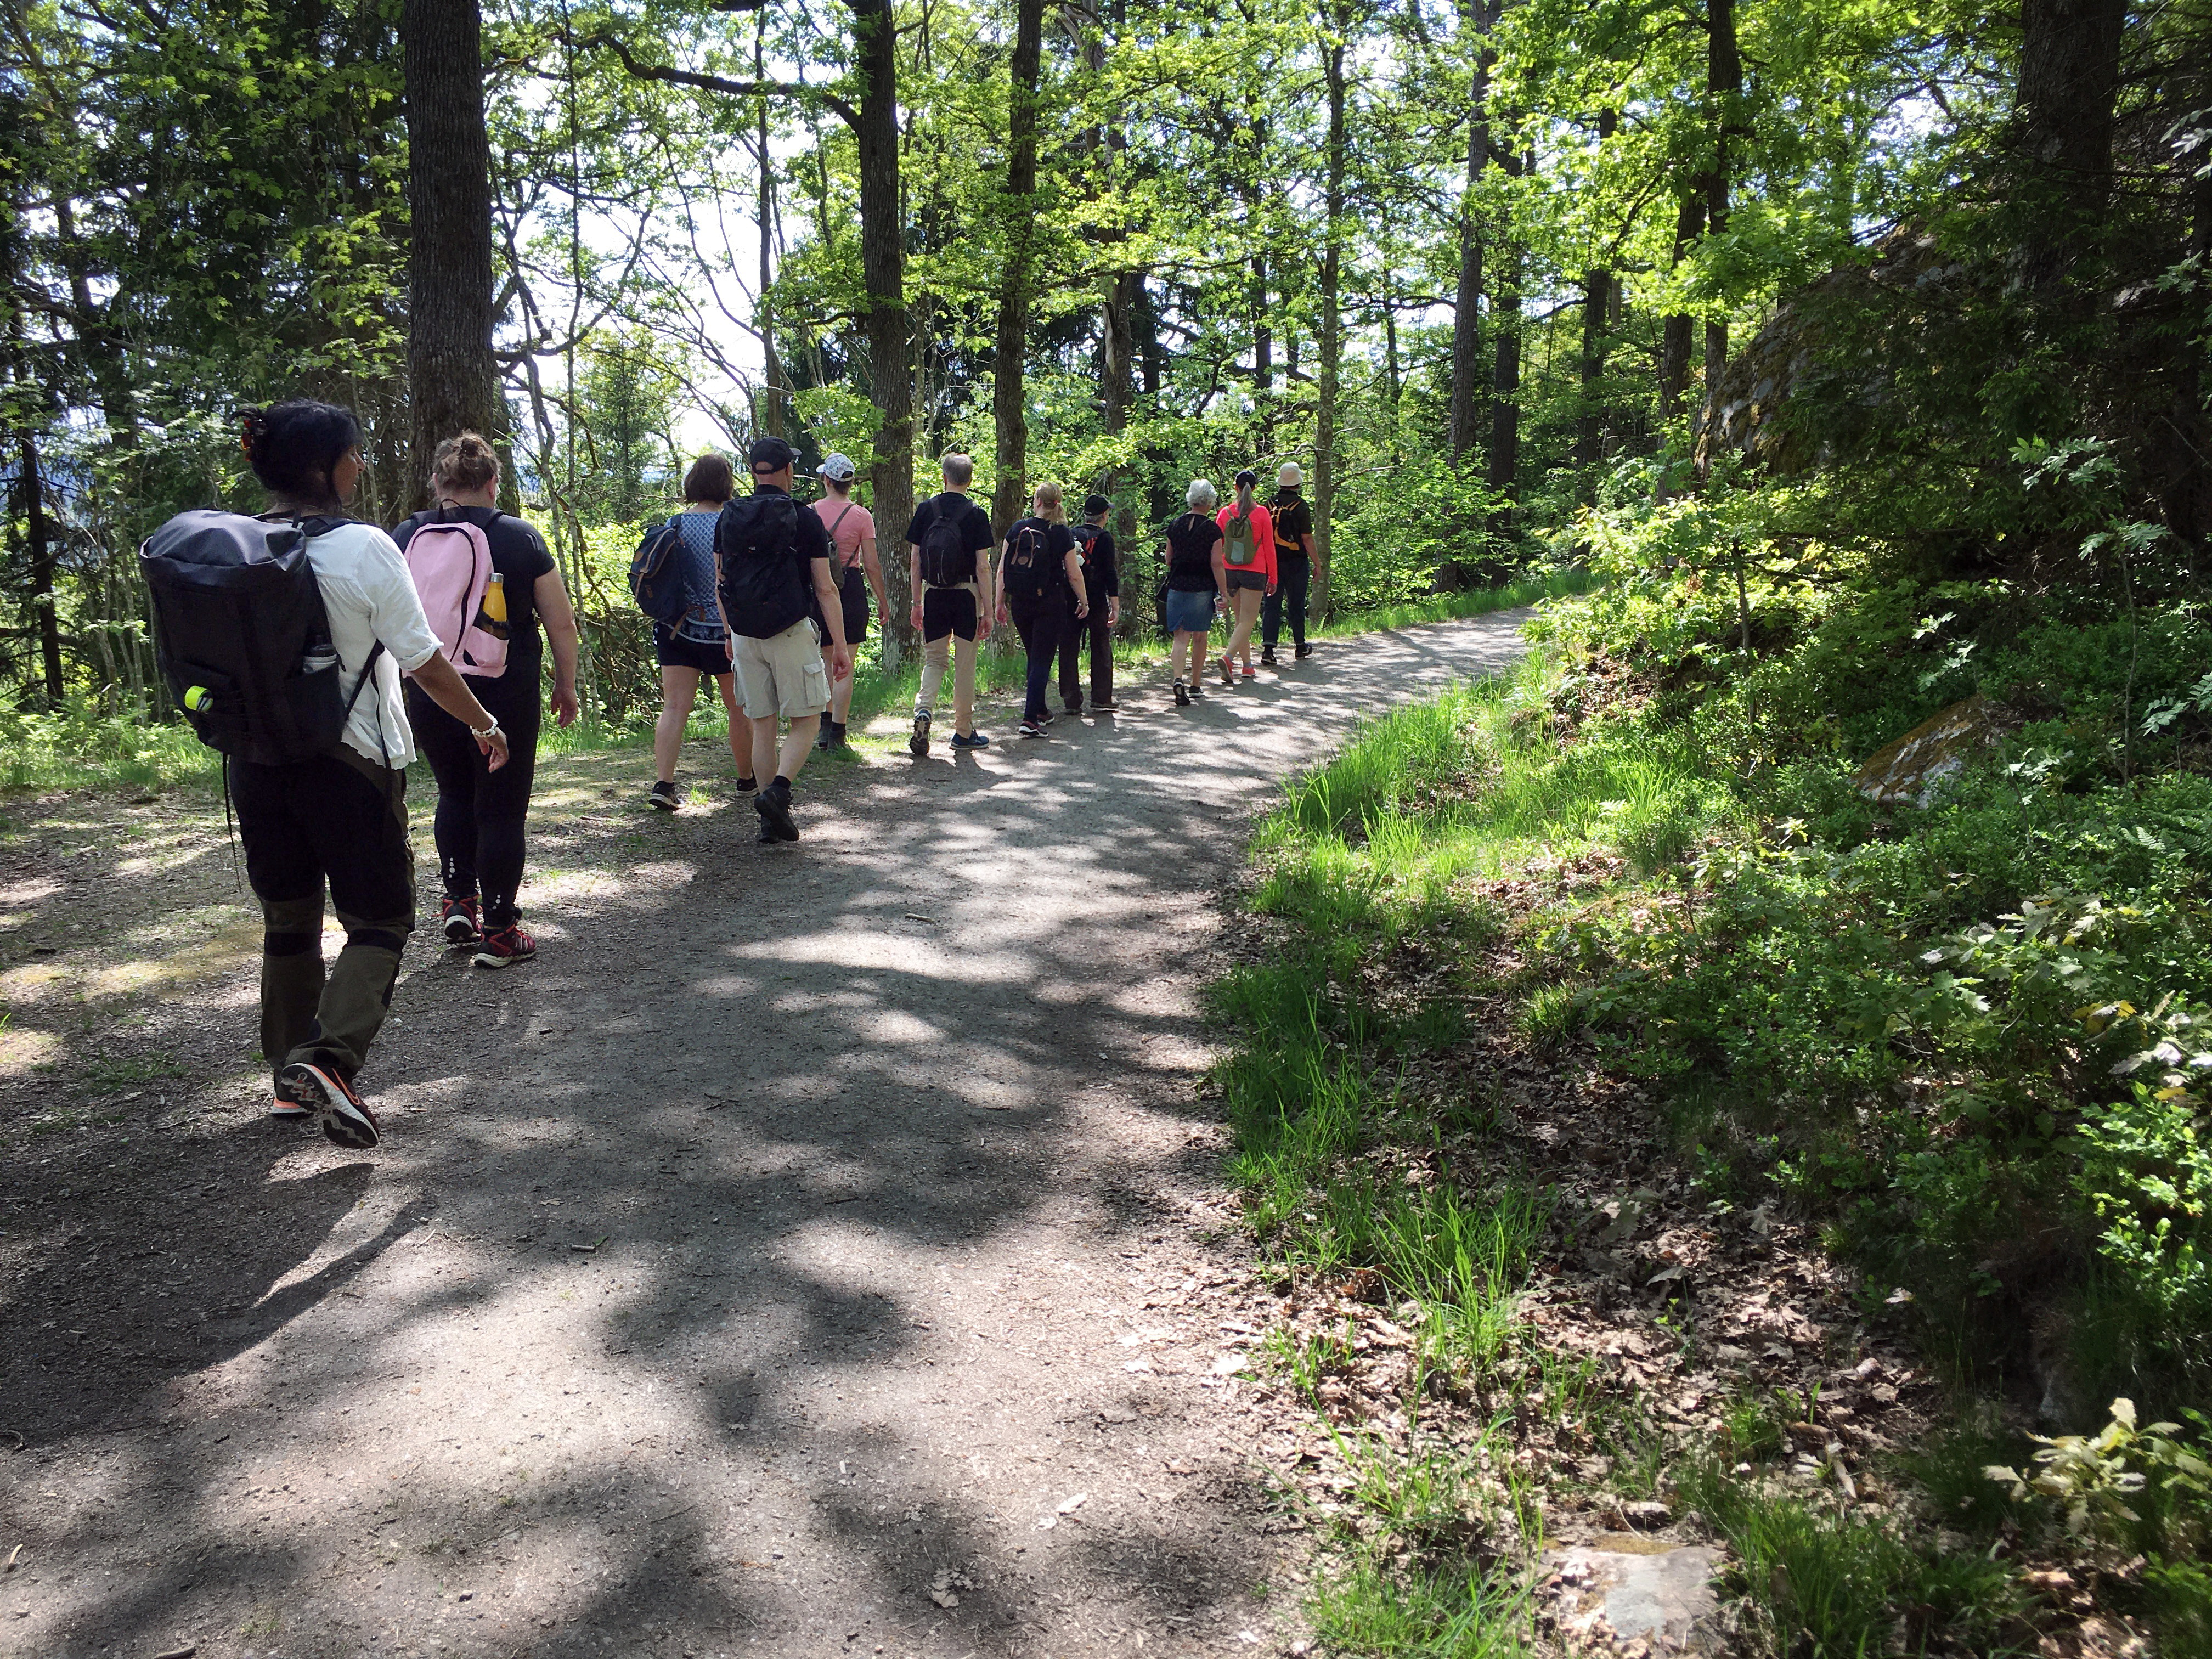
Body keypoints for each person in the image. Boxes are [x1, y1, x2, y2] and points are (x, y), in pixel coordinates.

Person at [233, 400, 510, 1149]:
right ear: (326, 468)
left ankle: (289, 1078)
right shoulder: (362, 548)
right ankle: (330, 1058)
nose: (362, 465)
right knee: (381, 919)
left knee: (288, 919)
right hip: (349, 764)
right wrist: (484, 724)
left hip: (254, 768)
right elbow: (424, 661)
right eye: (354, 454)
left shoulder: (235, 546)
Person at [393, 433, 580, 969]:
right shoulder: (521, 539)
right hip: (505, 692)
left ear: (437, 482)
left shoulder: (406, 535)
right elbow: (561, 622)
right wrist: (565, 685)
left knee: (454, 792)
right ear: (494, 483)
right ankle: (499, 930)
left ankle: (458, 901)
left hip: (431, 687)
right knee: (500, 809)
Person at [721, 435, 853, 843]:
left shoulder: (730, 516)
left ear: (754, 471)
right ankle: (778, 792)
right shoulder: (804, 518)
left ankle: (768, 820)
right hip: (791, 629)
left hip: (745, 634)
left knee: (763, 725)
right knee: (809, 719)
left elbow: (719, 581)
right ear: (788, 472)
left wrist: (730, 632)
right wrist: (842, 645)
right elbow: (826, 588)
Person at [646, 453, 756, 812]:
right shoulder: (733, 520)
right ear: (726, 483)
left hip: (677, 627)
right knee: (738, 709)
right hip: (724, 632)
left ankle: (664, 783)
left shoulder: (675, 522)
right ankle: (746, 781)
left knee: (675, 707)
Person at [904, 453, 997, 756]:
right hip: (966, 594)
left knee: (934, 661)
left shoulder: (925, 510)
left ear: (944, 478)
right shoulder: (976, 514)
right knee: (964, 664)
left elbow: (915, 559)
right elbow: (983, 567)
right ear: (969, 481)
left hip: (934, 594)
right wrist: (986, 609)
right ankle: (963, 732)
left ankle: (924, 712)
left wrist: (917, 601)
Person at [997, 482, 1088, 739]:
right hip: (1050, 603)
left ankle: (1040, 711)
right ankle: (1029, 718)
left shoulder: (1017, 529)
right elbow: (1074, 573)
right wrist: (1085, 601)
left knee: (1034, 655)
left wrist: (999, 602)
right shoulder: (1060, 533)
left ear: (1037, 501)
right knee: (1041, 659)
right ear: (1057, 503)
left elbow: (1002, 570)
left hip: (1021, 603)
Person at [810, 453, 887, 752]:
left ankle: (823, 727)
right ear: (850, 483)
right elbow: (872, 565)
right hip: (850, 589)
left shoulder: (810, 513)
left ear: (826, 480)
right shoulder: (861, 516)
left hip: (819, 590)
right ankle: (839, 734)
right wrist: (882, 600)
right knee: (846, 663)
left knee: (825, 661)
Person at [1162, 479, 1227, 707]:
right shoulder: (1212, 530)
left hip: (1177, 586)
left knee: (1180, 637)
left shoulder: (1175, 524)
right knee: (1200, 636)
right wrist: (1224, 593)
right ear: (1210, 501)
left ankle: (1178, 678)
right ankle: (1196, 685)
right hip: (1202, 587)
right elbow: (1217, 564)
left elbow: (1168, 559)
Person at [1057, 493, 1121, 714]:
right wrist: (1115, 603)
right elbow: (1110, 573)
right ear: (1104, 515)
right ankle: (1102, 697)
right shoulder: (1104, 538)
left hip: (1069, 596)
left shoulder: (1070, 534)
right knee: (1101, 644)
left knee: (1068, 646)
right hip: (1095, 598)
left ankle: (1071, 698)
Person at [1214, 468, 1277, 685]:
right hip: (1255, 571)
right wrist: (1274, 577)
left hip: (1229, 570)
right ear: (1256, 487)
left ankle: (1248, 666)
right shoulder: (1261, 513)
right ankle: (1228, 657)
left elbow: (1216, 546)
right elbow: (1269, 547)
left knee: (1241, 621)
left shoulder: (1225, 513)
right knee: (1249, 621)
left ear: (1236, 488)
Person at [1262, 461, 1315, 666]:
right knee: (1296, 604)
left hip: (1272, 561)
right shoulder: (1301, 507)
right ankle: (1300, 646)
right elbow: (1307, 538)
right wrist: (1317, 563)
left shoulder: (1269, 504)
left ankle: (1268, 649)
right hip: (1296, 561)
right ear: (1298, 483)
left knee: (1272, 605)